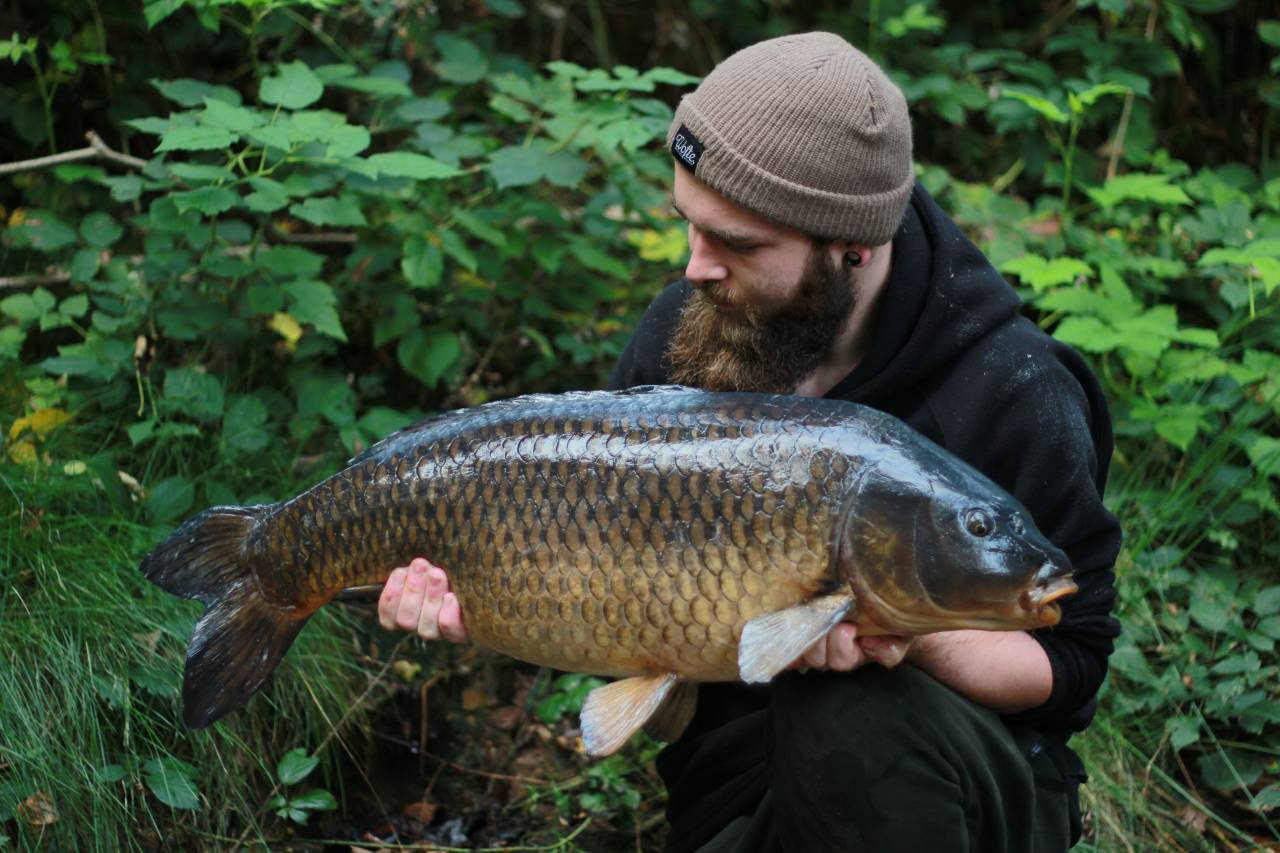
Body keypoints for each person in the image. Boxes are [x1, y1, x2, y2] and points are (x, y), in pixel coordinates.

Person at [377, 31, 1122, 853]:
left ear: (852, 247)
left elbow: (1074, 665)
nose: (695, 268)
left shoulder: (1014, 387)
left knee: (851, 707)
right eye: (689, 226)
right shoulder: (687, 331)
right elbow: (657, 688)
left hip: (966, 794)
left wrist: (905, 631)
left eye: (737, 243)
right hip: (738, 793)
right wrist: (491, 598)